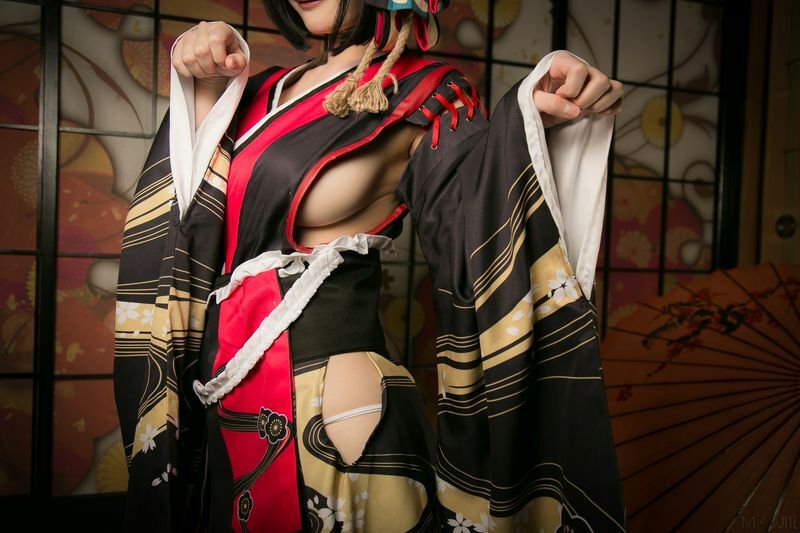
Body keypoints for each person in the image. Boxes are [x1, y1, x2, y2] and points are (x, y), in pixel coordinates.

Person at [113, 1, 626, 531]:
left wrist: (538, 120)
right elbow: (191, 231)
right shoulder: (258, 90)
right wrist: (202, 87)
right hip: (229, 405)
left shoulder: (430, 93)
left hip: (335, 415)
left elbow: (481, 227)